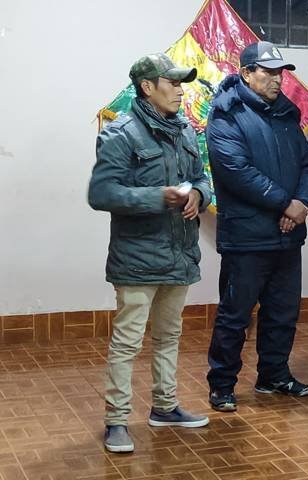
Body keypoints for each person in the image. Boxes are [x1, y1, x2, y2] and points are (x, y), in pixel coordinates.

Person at [88, 53, 212, 453]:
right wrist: (158, 197)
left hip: (180, 252)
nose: (180, 90)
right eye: (172, 83)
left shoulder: (185, 130)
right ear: (147, 87)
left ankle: (165, 407)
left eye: (181, 84)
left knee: (169, 335)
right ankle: (116, 421)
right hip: (137, 257)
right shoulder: (120, 133)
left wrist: (198, 194)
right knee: (128, 342)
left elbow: (202, 178)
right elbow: (101, 193)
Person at [205, 41, 308, 412]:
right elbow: (235, 171)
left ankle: (273, 374)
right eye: (268, 72)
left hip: (287, 235)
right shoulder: (226, 114)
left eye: (280, 73)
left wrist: (302, 203)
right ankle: (222, 384)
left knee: (283, 312)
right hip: (247, 237)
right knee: (235, 315)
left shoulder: (286, 113)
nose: (277, 80)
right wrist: (286, 203)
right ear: (246, 73)